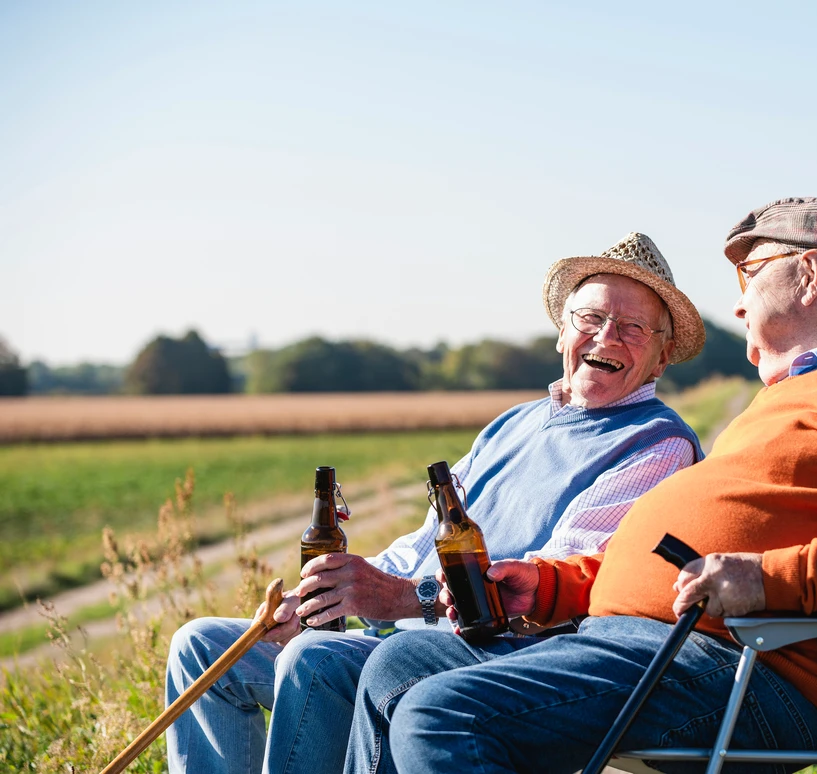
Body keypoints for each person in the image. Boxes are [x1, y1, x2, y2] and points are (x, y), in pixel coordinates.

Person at [342, 197, 817, 774]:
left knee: (442, 713)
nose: (737, 303)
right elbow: (672, 559)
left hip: (741, 670)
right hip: (633, 643)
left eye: (749, 275)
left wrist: (765, 580)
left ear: (808, 275)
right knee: (396, 667)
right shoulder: (786, 399)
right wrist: (551, 586)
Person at [164, 232, 707, 774]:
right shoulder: (513, 423)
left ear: (660, 360)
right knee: (203, 646)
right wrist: (330, 600)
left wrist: (403, 599)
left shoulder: (655, 443)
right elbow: (425, 543)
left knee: (316, 659)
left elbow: (553, 583)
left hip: (485, 661)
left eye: (633, 328)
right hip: (398, 636)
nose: (606, 337)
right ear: (562, 332)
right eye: (589, 318)